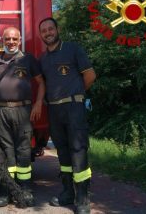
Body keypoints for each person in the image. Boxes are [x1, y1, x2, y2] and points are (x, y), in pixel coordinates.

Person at [38, 17, 96, 214]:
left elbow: (90, 76)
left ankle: (82, 198)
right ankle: (67, 193)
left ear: (57, 29)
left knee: (78, 149)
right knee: (62, 151)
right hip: (54, 110)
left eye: (50, 29)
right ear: (41, 35)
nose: (48, 33)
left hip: (73, 107)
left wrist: (77, 94)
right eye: (44, 31)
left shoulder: (73, 49)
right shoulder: (42, 59)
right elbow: (44, 84)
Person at [0, 27, 45, 207]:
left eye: (14, 39)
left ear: (19, 41)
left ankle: (25, 189)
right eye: (7, 39)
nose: (11, 42)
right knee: (5, 152)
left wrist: (39, 103)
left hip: (23, 111)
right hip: (2, 112)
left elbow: (41, 83)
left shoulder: (28, 60)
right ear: (2, 41)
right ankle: (7, 190)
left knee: (24, 151)